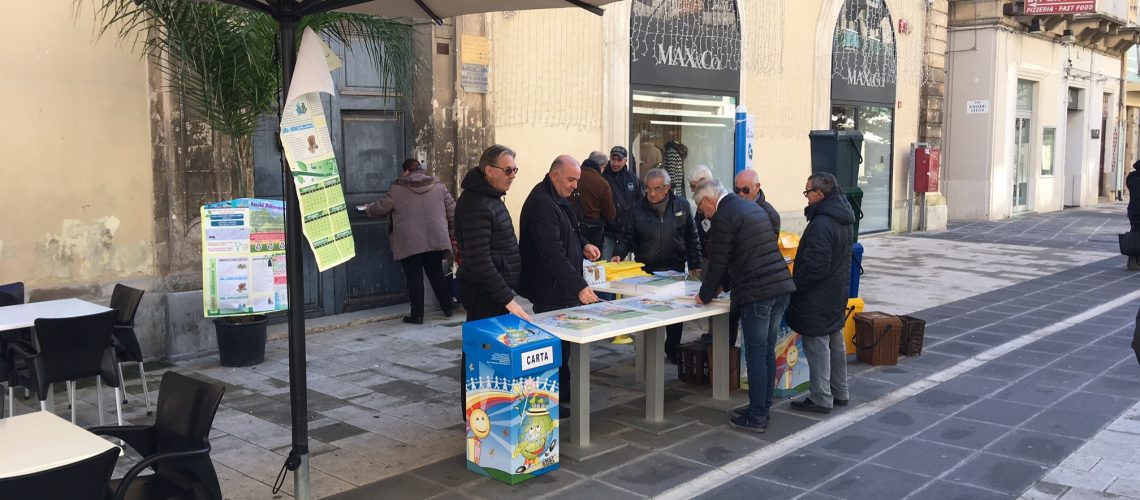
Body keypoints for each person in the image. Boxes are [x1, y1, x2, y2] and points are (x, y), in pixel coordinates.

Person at [693, 179, 794, 433]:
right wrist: (722, 286)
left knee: (757, 354)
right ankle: (762, 407)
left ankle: (757, 416)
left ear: (707, 200)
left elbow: (719, 260)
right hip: (780, 286)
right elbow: (742, 253)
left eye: (701, 208)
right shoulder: (749, 207)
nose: (703, 214)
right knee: (767, 351)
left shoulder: (724, 216)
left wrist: (704, 294)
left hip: (757, 293)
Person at [519, 155, 603, 416]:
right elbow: (552, 252)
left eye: (576, 180)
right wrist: (579, 286)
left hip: (561, 285)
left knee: (563, 345)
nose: (574, 185)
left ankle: (562, 390)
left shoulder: (558, 197)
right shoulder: (542, 203)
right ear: (554, 174)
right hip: (550, 287)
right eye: (570, 179)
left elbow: (569, 232)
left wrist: (583, 245)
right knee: (553, 346)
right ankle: (549, 399)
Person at [611, 168, 702, 363]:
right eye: (648, 189)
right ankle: (645, 351)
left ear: (667, 188)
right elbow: (626, 237)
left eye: (657, 189)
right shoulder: (636, 209)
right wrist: (618, 254)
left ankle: (673, 349)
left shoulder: (682, 206)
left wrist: (695, 262)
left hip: (675, 267)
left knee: (675, 313)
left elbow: (692, 237)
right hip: (647, 269)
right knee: (646, 313)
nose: (652, 194)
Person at [786, 172, 855, 415]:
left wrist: (796, 287)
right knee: (835, 340)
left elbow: (815, 267)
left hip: (818, 295)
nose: (806, 197)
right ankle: (840, 391)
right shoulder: (842, 216)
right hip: (835, 291)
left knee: (817, 345)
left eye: (808, 192)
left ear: (820, 194)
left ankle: (821, 396)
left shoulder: (822, 223)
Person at [364, 158, 455, 324]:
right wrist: (453, 231)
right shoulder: (439, 186)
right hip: (435, 237)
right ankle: (448, 308)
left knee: (414, 277)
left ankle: (417, 315)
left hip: (409, 240)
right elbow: (452, 211)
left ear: (406, 171)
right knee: (435, 273)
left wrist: (368, 208)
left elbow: (380, 207)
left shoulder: (398, 189)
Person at [602, 146, 644, 260]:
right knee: (606, 266)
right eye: (613, 159)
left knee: (624, 269)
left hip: (626, 233)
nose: (615, 163)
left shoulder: (633, 178)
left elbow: (641, 202)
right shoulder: (602, 177)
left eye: (619, 160)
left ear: (625, 161)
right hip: (607, 231)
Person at [572, 156, 617, 250]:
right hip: (593, 233)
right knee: (592, 261)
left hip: (571, 227)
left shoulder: (573, 175)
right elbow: (610, 214)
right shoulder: (602, 183)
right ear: (602, 166)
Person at [1127, 160, 1140, 270]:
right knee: (1136, 236)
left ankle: (1134, 261)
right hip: (1138, 211)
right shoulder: (1136, 180)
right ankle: (1133, 261)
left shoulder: (1131, 178)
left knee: (1135, 235)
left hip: (1132, 210)